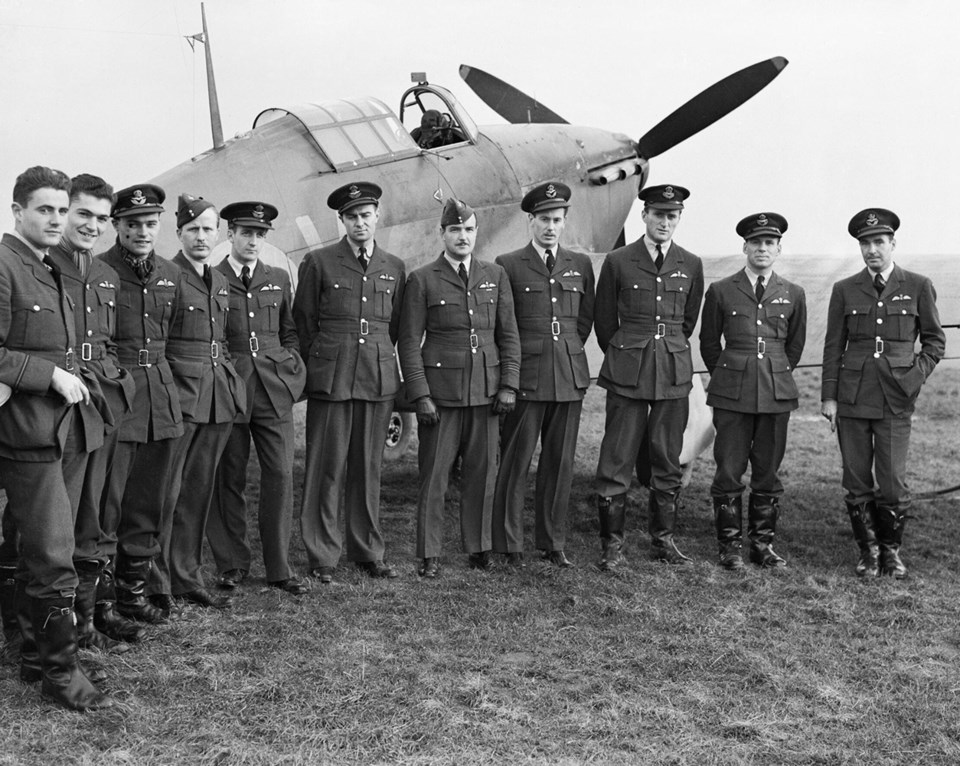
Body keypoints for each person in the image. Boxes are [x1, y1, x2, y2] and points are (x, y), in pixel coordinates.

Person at [0, 165, 112, 711]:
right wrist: (51, 376)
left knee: (41, 546)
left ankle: (33, 655)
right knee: (50, 552)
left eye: (61, 210)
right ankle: (61, 674)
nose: (55, 219)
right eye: (44, 209)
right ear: (17, 210)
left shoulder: (46, 267)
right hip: (25, 433)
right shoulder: (5, 264)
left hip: (57, 430)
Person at [398, 198, 521, 578]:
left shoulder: (494, 275)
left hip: (485, 392)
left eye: (468, 230)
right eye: (455, 230)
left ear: (476, 233)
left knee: (483, 475)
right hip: (442, 396)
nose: (462, 236)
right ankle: (429, 554)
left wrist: (508, 385)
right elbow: (408, 342)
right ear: (442, 234)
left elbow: (509, 335)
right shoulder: (422, 278)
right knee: (434, 477)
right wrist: (420, 395)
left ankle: (479, 547)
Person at [821, 208, 944, 579]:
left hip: (896, 398)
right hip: (853, 396)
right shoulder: (845, 289)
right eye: (865, 243)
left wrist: (914, 376)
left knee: (892, 480)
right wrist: (829, 398)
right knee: (856, 478)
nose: (872, 250)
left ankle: (892, 552)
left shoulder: (918, 285)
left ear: (893, 244)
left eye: (878, 242)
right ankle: (868, 552)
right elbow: (832, 347)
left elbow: (935, 341)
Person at [293, 182, 405, 584]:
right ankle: (323, 554)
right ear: (341, 220)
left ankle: (367, 550)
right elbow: (303, 321)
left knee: (368, 468)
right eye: (352, 216)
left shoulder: (394, 267)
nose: (360, 222)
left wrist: (374, 355)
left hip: (375, 376)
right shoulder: (319, 262)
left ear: (378, 217)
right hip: (332, 376)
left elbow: (392, 326)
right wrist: (320, 363)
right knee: (326, 467)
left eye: (366, 215)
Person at [47, 174, 140, 645]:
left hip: (101, 405)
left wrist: (118, 382)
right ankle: (35, 630)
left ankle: (86, 619)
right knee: (49, 518)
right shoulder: (45, 266)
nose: (91, 226)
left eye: (102, 219)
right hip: (59, 405)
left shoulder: (105, 274)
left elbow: (110, 341)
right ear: (65, 212)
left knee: (97, 511)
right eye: (83, 214)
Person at [593, 184, 704, 569]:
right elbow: (605, 321)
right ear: (645, 216)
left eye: (672, 216)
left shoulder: (690, 263)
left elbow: (686, 322)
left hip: (672, 370)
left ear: (678, 219)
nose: (664, 222)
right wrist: (627, 352)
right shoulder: (619, 260)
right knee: (617, 457)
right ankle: (612, 544)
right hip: (628, 370)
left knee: (667, 456)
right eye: (658, 214)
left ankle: (663, 540)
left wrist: (664, 347)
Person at [492, 182, 594, 568]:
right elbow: (505, 324)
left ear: (565, 222)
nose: (551, 227)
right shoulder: (509, 263)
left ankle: (552, 542)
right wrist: (512, 376)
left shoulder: (580, 264)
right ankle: (509, 542)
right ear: (530, 221)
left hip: (568, 375)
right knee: (515, 461)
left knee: (560, 462)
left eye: (557, 220)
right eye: (544, 220)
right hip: (528, 377)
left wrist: (564, 350)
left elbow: (583, 320)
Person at [207, 201, 307, 595]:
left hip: (273, 390)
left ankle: (279, 567)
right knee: (227, 477)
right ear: (230, 234)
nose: (253, 241)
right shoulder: (212, 278)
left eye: (260, 235)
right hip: (232, 388)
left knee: (280, 474)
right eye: (246, 233)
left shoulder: (278, 277)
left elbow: (289, 331)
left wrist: (292, 367)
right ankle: (231, 563)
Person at [699, 212, 806, 570]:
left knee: (768, 471)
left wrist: (773, 370)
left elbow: (794, 346)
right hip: (732, 392)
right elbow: (709, 343)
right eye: (756, 242)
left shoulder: (793, 293)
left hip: (776, 391)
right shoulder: (721, 290)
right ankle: (729, 547)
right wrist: (730, 374)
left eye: (769, 243)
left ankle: (762, 546)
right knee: (729, 469)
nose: (762, 249)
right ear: (744, 246)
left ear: (778, 250)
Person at [99, 184, 184, 624]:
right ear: (117, 226)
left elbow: (181, 338)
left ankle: (133, 594)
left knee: (149, 503)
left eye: (150, 224)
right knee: (109, 504)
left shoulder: (171, 273)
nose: (142, 231)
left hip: (162, 400)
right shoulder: (101, 271)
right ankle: (102, 602)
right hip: (122, 400)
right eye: (133, 224)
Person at [155, 195, 245, 609]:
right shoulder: (166, 275)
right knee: (165, 494)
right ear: (179, 234)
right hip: (181, 396)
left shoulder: (221, 281)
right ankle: (156, 583)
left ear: (218, 234)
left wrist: (229, 381)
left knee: (197, 493)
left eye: (208, 229)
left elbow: (221, 339)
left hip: (215, 398)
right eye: (193, 229)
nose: (201, 236)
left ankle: (187, 577)